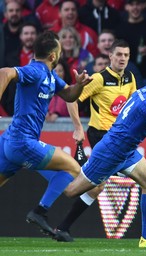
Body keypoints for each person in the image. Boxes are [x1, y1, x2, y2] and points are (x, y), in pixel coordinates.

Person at [63, 74, 146, 248]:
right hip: (110, 153)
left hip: (126, 151)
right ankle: (52, 165)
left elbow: (139, 112)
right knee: (71, 191)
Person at [0, 30, 92, 236]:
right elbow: (4, 73)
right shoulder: (35, 72)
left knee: (64, 171)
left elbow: (69, 95)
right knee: (72, 168)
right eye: (58, 51)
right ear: (53, 56)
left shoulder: (51, 76)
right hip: (22, 142)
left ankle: (40, 212)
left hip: (11, 141)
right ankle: (40, 211)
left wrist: (78, 86)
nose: (60, 55)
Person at [52, 39, 137, 242]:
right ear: (110, 56)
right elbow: (71, 98)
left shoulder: (130, 78)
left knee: (98, 186)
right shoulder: (99, 79)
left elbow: (132, 106)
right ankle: (55, 198)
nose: (122, 58)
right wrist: (78, 128)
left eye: (126, 55)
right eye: (119, 54)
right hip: (101, 136)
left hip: (120, 138)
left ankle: (61, 225)